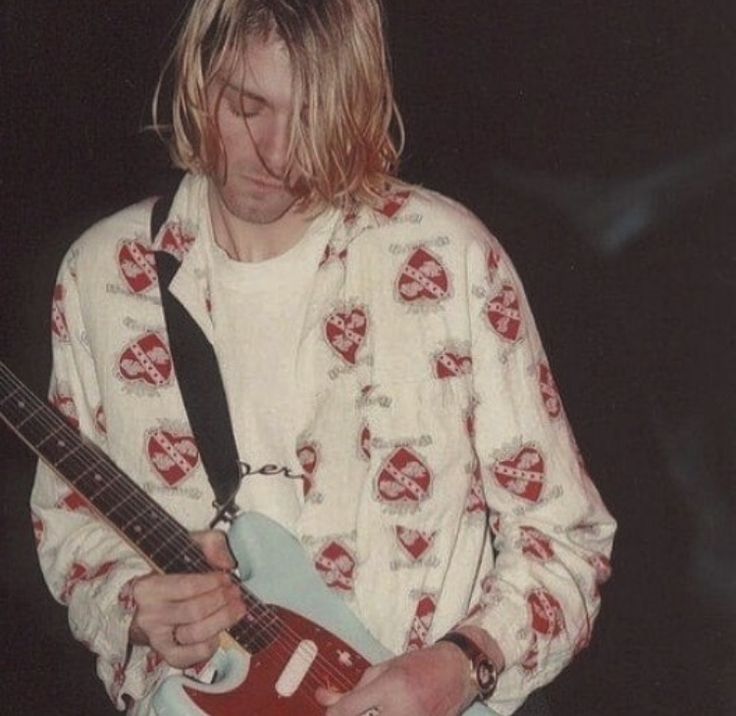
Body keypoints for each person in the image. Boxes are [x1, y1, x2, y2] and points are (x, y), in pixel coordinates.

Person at [30, 1, 616, 714]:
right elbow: (71, 528)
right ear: (197, 79)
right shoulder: (102, 277)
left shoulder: (445, 256)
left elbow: (565, 538)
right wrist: (129, 605)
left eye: (312, 117)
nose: (278, 154)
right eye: (248, 107)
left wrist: (461, 665)